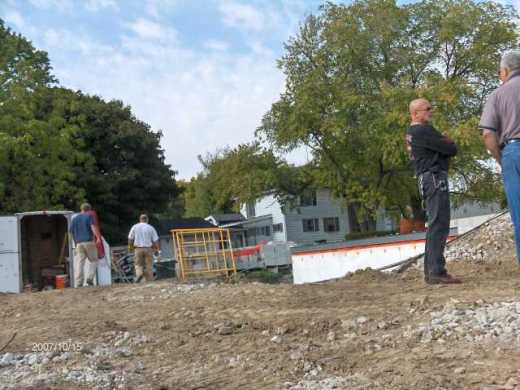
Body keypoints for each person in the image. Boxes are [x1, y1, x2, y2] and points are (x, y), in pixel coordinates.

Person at [406, 98, 461, 284]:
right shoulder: (424, 130)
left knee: (434, 224)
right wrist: (446, 141)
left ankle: (431, 271)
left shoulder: (411, 133)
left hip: (426, 179)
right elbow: (451, 148)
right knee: (439, 223)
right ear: (416, 113)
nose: (431, 111)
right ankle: (437, 271)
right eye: (427, 109)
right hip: (435, 179)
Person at [480, 50, 520, 263]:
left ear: (505, 71)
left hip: (513, 152)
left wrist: (501, 159)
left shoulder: (497, 95)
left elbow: (488, 135)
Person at [69, 203, 102, 287]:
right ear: (89, 210)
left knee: (80, 263)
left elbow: (70, 232)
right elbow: (92, 227)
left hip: (78, 244)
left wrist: (75, 242)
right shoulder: (89, 216)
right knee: (94, 260)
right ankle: (90, 278)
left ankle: (79, 282)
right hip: (88, 242)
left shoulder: (74, 219)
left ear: (81, 209)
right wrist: (98, 237)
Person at [128, 214, 160, 282]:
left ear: (140, 219)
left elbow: (130, 238)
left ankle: (140, 277)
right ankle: (150, 281)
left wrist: (130, 248)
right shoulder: (150, 227)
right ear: (147, 220)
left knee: (138, 265)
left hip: (138, 249)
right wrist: (157, 250)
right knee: (149, 266)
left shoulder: (135, 227)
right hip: (148, 249)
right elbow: (156, 240)